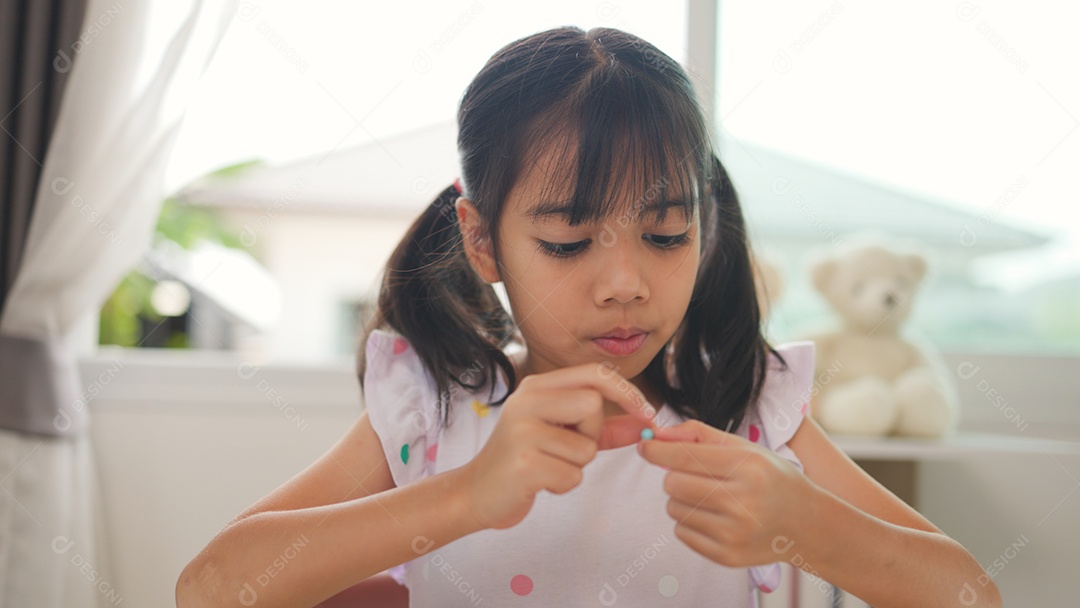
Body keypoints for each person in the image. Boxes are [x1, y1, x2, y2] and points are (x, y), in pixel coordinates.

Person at [176, 26, 1000, 608]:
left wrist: (811, 531)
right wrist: (467, 493)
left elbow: (971, 596)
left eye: (666, 235)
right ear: (482, 241)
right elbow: (210, 589)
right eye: (570, 241)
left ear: (704, 229)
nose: (625, 284)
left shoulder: (749, 408)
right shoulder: (433, 404)